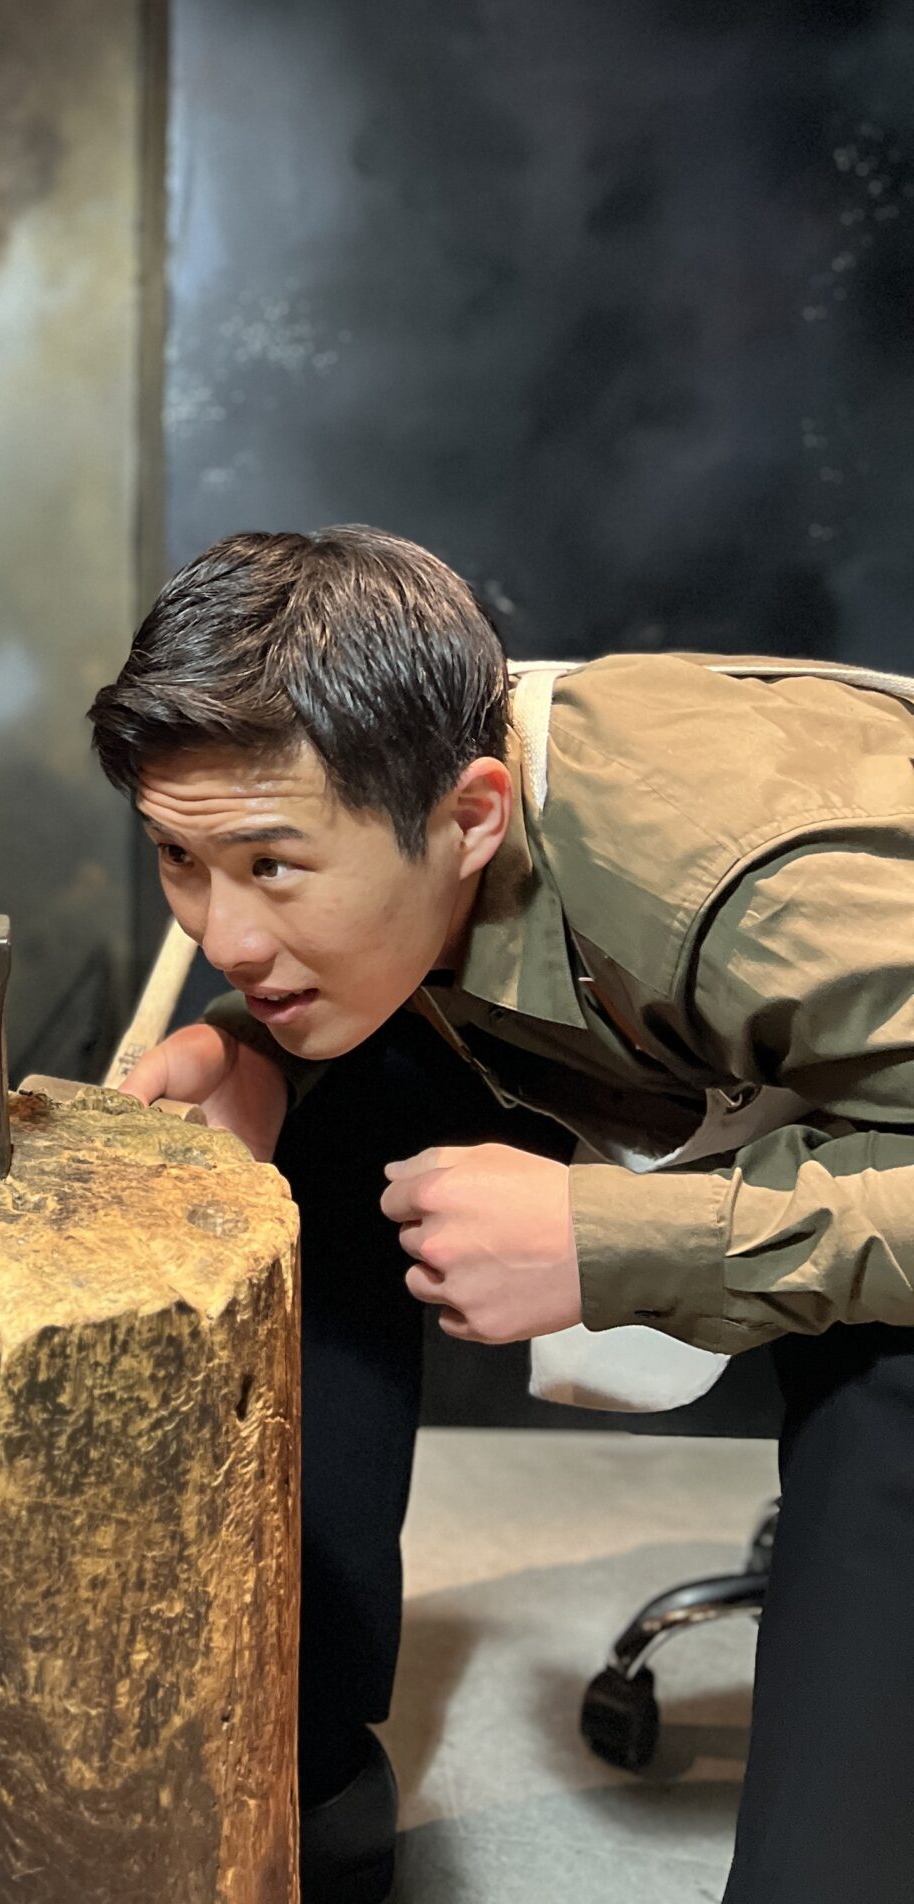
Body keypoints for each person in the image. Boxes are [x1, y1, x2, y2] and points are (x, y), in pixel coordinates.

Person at [91, 524, 914, 1904]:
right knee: (328, 1121)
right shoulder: (412, 786)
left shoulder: (755, 889)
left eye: (273, 867)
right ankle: (303, 1774)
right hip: (767, 1059)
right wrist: (263, 1054)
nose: (223, 933)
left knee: (891, 1378)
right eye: (180, 858)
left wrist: (615, 1243)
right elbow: (378, 953)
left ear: (472, 816)